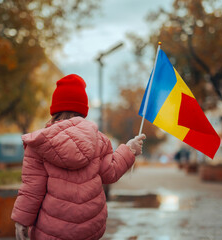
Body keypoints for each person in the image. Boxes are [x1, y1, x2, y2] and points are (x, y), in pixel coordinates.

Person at [11, 74, 146, 240]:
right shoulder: (99, 140)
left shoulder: (39, 143)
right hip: (90, 227)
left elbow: (32, 189)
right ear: (83, 109)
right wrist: (129, 149)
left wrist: (22, 221)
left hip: (52, 229)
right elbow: (110, 173)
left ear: (55, 108)